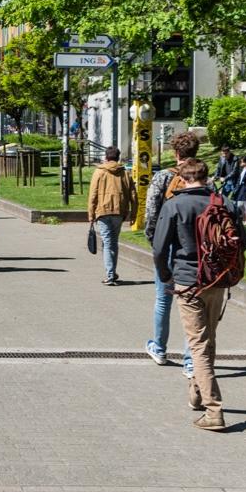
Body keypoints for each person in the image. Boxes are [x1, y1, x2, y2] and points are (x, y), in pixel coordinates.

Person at [153, 154, 246, 432]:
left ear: (182, 178)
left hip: (187, 281)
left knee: (198, 345)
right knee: (208, 340)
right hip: (217, 279)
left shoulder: (174, 205)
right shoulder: (224, 203)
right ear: (206, 177)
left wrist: (165, 276)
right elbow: (242, 240)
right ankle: (197, 393)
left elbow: (160, 249)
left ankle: (214, 410)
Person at [143, 147, 192, 377]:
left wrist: (154, 241)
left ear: (176, 153)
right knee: (193, 303)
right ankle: (191, 359)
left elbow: (151, 210)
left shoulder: (163, 176)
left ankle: (160, 348)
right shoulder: (203, 177)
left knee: (163, 299)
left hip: (168, 243)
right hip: (193, 246)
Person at [86, 146, 137, 285]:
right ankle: (112, 273)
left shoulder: (99, 172)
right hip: (119, 211)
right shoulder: (125, 173)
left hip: (102, 211)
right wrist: (134, 214)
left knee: (108, 243)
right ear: (118, 157)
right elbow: (133, 195)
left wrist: (91, 214)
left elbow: (93, 195)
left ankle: (110, 274)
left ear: (106, 157)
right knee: (112, 242)